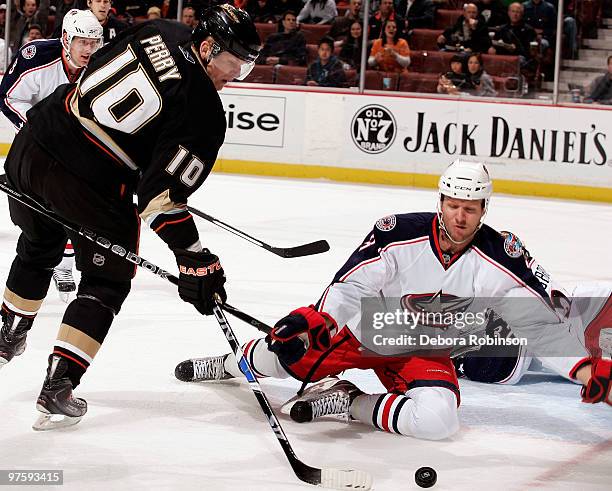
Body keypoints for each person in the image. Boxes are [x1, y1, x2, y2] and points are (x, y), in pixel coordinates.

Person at [175, 159, 611, 441]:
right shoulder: (397, 232)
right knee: (279, 356)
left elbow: (536, 321)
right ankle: (230, 364)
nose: (461, 217)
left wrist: (587, 367)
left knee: (438, 422)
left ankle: (349, 402)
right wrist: (317, 320)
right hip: (371, 327)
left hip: (425, 345)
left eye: (471, 209)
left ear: (485, 209)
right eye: (454, 205)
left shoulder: (500, 254)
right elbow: (351, 287)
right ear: (441, 201)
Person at [0, 5, 261, 431]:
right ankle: (59, 385)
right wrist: (195, 257)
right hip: (89, 181)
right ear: (210, 47)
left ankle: (8, 332)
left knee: (39, 241)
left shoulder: (161, 28)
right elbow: (158, 199)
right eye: (235, 64)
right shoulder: (205, 112)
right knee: (109, 278)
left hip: (34, 144)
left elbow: (96, 71)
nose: (235, 76)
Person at [0, 9, 103, 301]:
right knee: (40, 218)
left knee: (75, 207)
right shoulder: (37, 57)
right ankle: (47, 263)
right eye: (82, 42)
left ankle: (67, 263)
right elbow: (8, 96)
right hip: (35, 147)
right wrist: (36, 129)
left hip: (77, 148)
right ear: (66, 38)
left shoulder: (100, 67)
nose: (88, 49)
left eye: (93, 43)